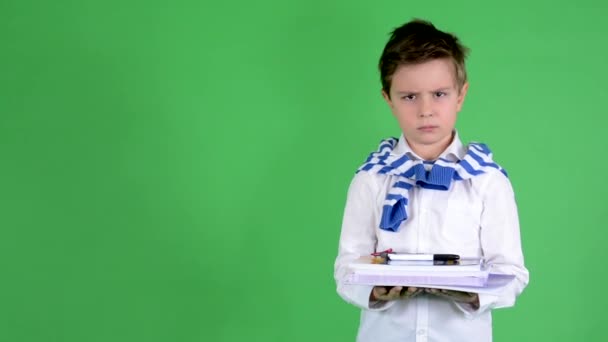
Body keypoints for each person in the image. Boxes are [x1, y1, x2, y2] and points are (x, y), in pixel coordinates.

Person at [333, 19, 529, 342]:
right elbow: (346, 269)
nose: (426, 110)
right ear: (388, 99)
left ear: (461, 96)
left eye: (439, 93)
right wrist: (375, 291)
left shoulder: (487, 181)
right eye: (409, 97)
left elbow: (512, 272)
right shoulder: (371, 178)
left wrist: (472, 295)